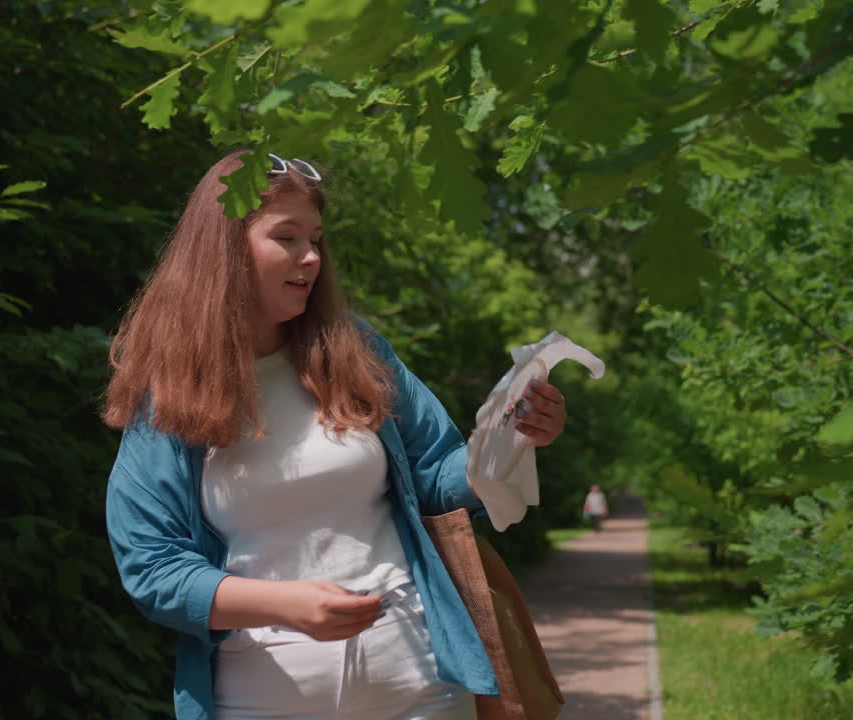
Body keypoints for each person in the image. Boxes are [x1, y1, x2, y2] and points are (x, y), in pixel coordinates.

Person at [101, 150, 569, 720]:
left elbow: (439, 477)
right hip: (260, 694)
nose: (311, 257)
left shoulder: (355, 349)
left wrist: (514, 434)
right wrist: (285, 605)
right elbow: (152, 567)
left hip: (419, 680)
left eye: (316, 239)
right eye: (288, 237)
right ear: (224, 250)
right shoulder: (173, 389)